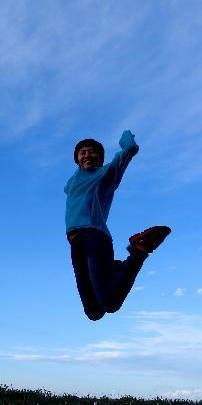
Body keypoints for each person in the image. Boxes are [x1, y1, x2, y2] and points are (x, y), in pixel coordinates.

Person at [65, 130, 170, 321]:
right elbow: (68, 187)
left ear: (99, 157)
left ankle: (140, 249)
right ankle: (113, 269)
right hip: (75, 244)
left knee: (111, 303)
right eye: (82, 152)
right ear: (77, 159)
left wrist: (126, 136)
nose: (87, 155)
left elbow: (129, 149)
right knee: (94, 312)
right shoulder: (73, 181)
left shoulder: (106, 174)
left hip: (94, 237)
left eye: (92, 152)